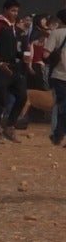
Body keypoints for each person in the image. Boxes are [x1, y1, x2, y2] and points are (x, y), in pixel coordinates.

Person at [0, 0, 28, 144]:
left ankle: (9, 126)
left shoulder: (12, 27)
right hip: (0, 69)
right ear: (5, 10)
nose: (15, 14)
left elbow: (12, 50)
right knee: (1, 100)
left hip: (12, 67)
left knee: (22, 96)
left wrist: (21, 55)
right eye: (12, 10)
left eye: (16, 11)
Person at [44, 8, 66, 147]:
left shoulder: (56, 33)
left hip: (59, 75)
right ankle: (58, 135)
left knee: (61, 106)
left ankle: (57, 135)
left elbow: (45, 55)